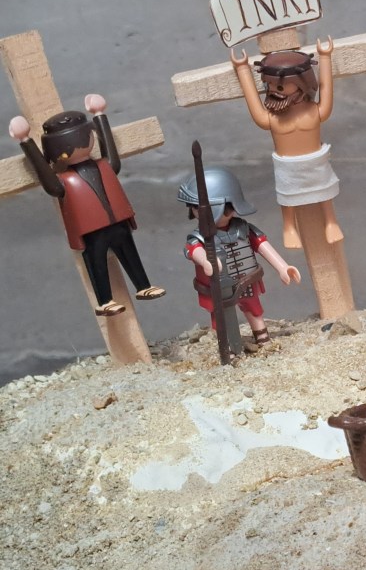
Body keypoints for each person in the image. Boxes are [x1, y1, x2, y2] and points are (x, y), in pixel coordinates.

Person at [9, 96, 165, 316]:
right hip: (91, 230)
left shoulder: (103, 166)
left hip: (117, 221)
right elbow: (47, 179)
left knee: (130, 252)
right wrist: (25, 141)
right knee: (96, 261)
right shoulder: (63, 180)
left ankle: (143, 286)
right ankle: (105, 301)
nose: (82, 146)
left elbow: (111, 154)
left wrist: (100, 116)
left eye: (87, 138)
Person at [230, 38, 341, 249]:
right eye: (269, 85)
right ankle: (289, 227)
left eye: (279, 85)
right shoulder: (271, 119)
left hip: (315, 161)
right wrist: (242, 68)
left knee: (324, 191)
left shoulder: (316, 111)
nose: (274, 90)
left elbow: (326, 88)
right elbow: (254, 102)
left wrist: (325, 57)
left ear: (302, 83)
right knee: (287, 197)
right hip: (287, 166)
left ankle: (331, 222)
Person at [178, 167, 300, 345]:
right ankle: (226, 344)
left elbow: (262, 245)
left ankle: (261, 336)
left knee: (253, 307)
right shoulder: (200, 236)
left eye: (199, 207)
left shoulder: (243, 229)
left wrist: (282, 267)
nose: (197, 211)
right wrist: (205, 260)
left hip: (246, 279)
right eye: (195, 208)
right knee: (220, 317)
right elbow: (193, 250)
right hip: (218, 285)